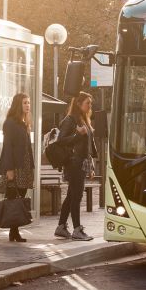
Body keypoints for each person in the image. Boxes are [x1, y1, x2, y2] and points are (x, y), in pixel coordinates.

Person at [0, 93, 35, 242]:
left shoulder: (24, 122)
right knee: (11, 199)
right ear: (17, 105)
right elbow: (7, 147)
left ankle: (14, 232)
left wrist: (31, 168)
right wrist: (9, 169)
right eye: (24, 103)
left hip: (25, 167)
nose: (27, 105)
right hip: (15, 167)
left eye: (28, 102)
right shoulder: (10, 123)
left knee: (18, 201)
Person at [55, 91, 98, 241]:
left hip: (81, 162)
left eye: (90, 103)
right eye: (87, 103)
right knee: (76, 196)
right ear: (79, 104)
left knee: (71, 196)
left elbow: (88, 145)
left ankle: (61, 227)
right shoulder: (70, 119)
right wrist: (78, 134)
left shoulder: (84, 119)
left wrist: (91, 163)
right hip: (73, 163)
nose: (89, 106)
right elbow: (61, 140)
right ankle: (77, 230)